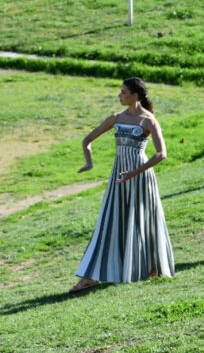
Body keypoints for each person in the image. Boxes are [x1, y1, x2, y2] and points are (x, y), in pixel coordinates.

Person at [72, 78, 174, 291]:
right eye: (120, 92)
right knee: (111, 221)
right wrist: (89, 162)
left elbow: (161, 154)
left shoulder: (148, 121)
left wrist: (134, 173)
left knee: (143, 220)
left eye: (124, 92)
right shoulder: (116, 118)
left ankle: (149, 268)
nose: (120, 96)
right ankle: (92, 276)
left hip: (139, 177)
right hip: (119, 176)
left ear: (135, 96)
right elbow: (87, 140)